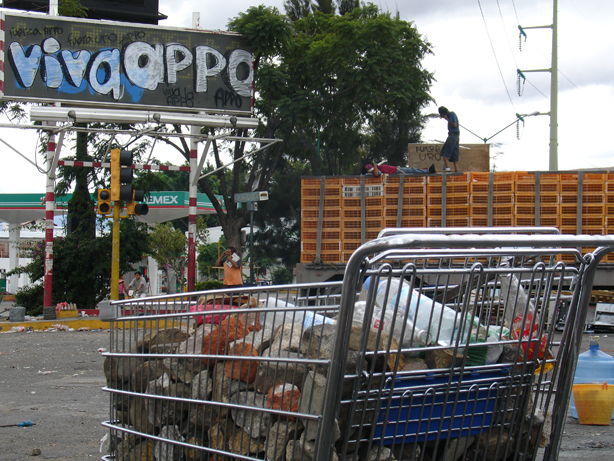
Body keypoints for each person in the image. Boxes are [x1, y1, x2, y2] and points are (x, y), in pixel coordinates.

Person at [438, 106, 460, 172]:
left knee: (445, 153)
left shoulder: (451, 114)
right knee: (455, 154)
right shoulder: (451, 114)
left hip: (452, 135)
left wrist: (447, 118)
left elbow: (454, 124)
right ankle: (456, 170)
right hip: (456, 136)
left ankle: (447, 169)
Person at [361, 162, 436, 177]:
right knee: (412, 170)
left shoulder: (374, 169)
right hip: (395, 171)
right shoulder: (373, 172)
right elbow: (377, 174)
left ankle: (426, 171)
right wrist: (375, 166)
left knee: (412, 171)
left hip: (395, 169)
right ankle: (427, 171)